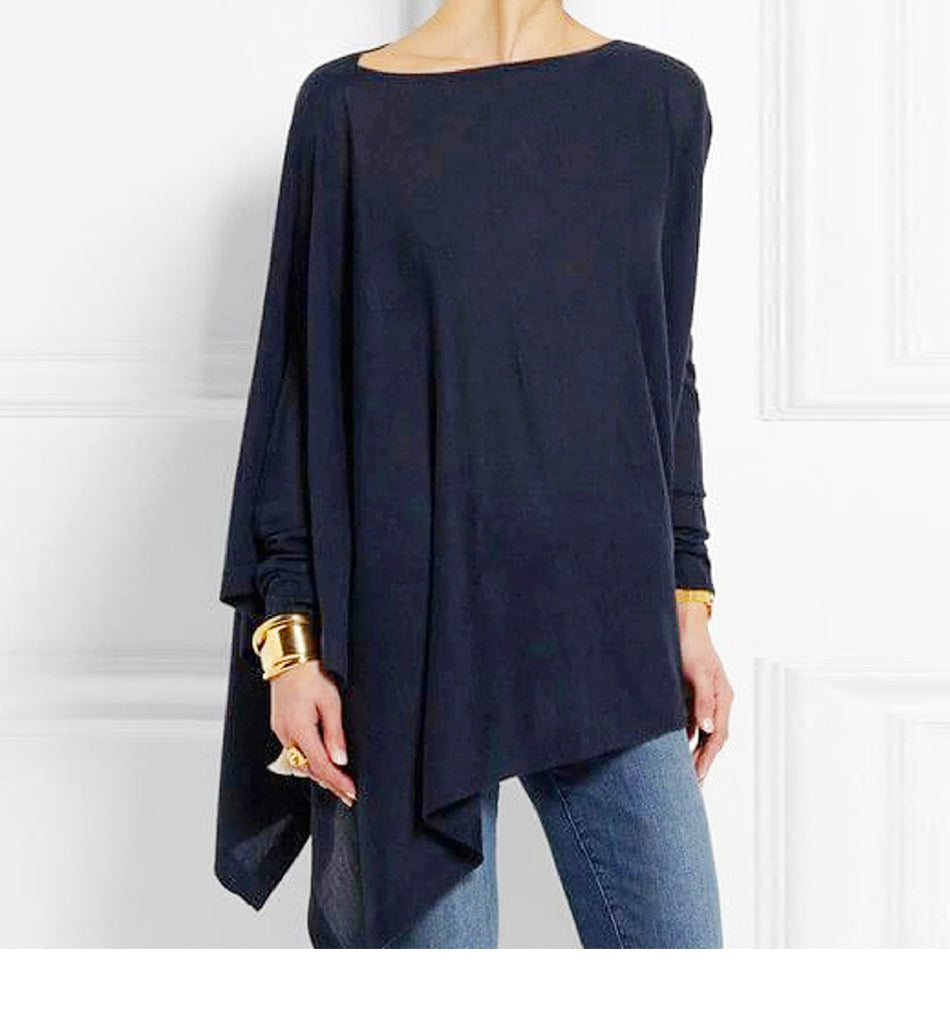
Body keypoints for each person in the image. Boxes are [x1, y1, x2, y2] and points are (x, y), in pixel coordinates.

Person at [215, 0, 735, 949]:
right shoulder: (346, 110)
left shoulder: (661, 102)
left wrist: (687, 598)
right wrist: (289, 647)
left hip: (606, 618)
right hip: (414, 634)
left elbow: (665, 370)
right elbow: (299, 390)